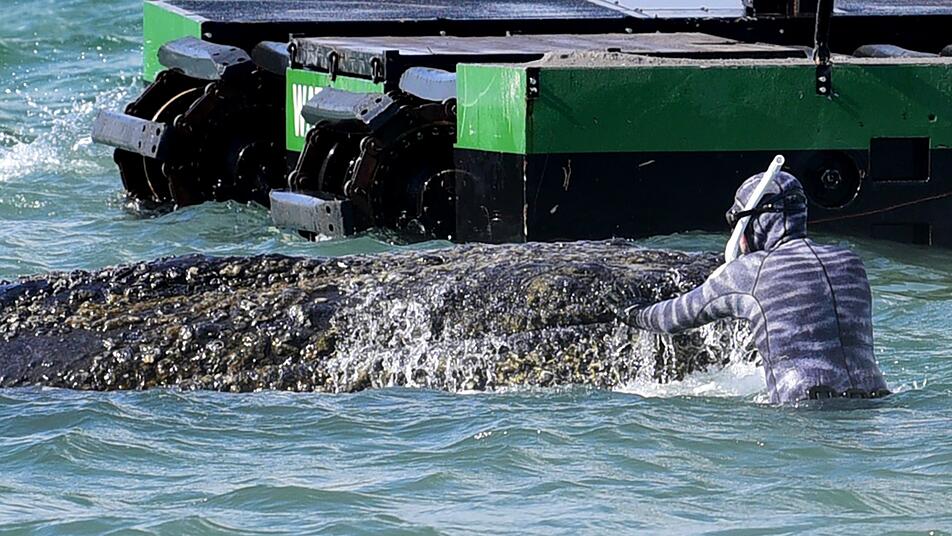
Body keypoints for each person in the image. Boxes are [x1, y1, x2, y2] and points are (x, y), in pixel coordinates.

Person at [608, 171, 890, 403]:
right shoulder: (850, 262)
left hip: (803, 409)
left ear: (752, 223)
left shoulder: (751, 271)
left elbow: (673, 318)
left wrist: (630, 310)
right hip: (874, 401)